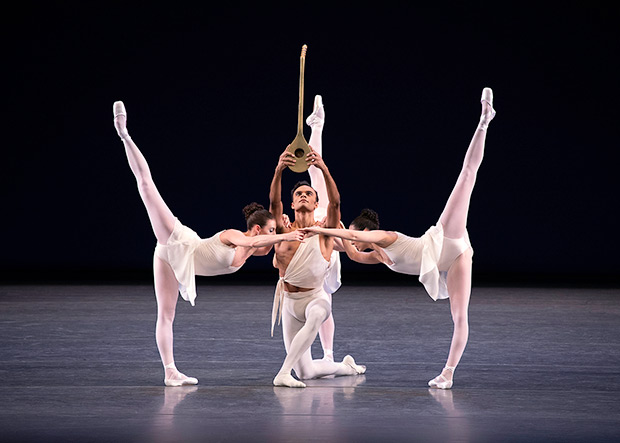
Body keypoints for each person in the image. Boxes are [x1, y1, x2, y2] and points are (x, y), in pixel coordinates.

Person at [301, 87, 497, 389]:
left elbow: (347, 235)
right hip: (457, 259)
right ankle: (448, 374)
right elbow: (350, 250)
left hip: (445, 241)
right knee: (459, 316)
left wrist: (322, 229)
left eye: (356, 234)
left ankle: (484, 121)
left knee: (466, 176)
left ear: (366, 232)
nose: (354, 239)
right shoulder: (375, 254)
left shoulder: (385, 237)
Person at [113, 101, 304, 387]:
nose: (273, 236)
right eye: (270, 230)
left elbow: (274, 243)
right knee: (146, 186)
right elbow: (267, 239)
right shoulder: (234, 236)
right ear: (255, 229)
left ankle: (170, 373)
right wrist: (284, 234)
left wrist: (286, 229)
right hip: (178, 241)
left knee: (166, 314)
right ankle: (124, 133)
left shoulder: (255, 249)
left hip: (170, 260)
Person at [269, 143, 366, 388]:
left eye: (308, 194)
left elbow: (335, 204)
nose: (303, 195)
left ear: (315, 204)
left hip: (316, 298)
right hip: (289, 303)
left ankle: (282, 373)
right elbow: (273, 203)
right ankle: (346, 367)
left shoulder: (324, 232)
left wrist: (322, 167)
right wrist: (279, 169)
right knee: (307, 373)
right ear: (292, 205)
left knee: (315, 318)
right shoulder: (282, 230)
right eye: (298, 194)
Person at [306, 95, 342, 362]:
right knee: (305, 306)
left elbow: (317, 171)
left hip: (326, 258)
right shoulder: (297, 212)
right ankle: (305, 354)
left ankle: (328, 354)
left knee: (325, 303)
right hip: (303, 260)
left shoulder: (323, 207)